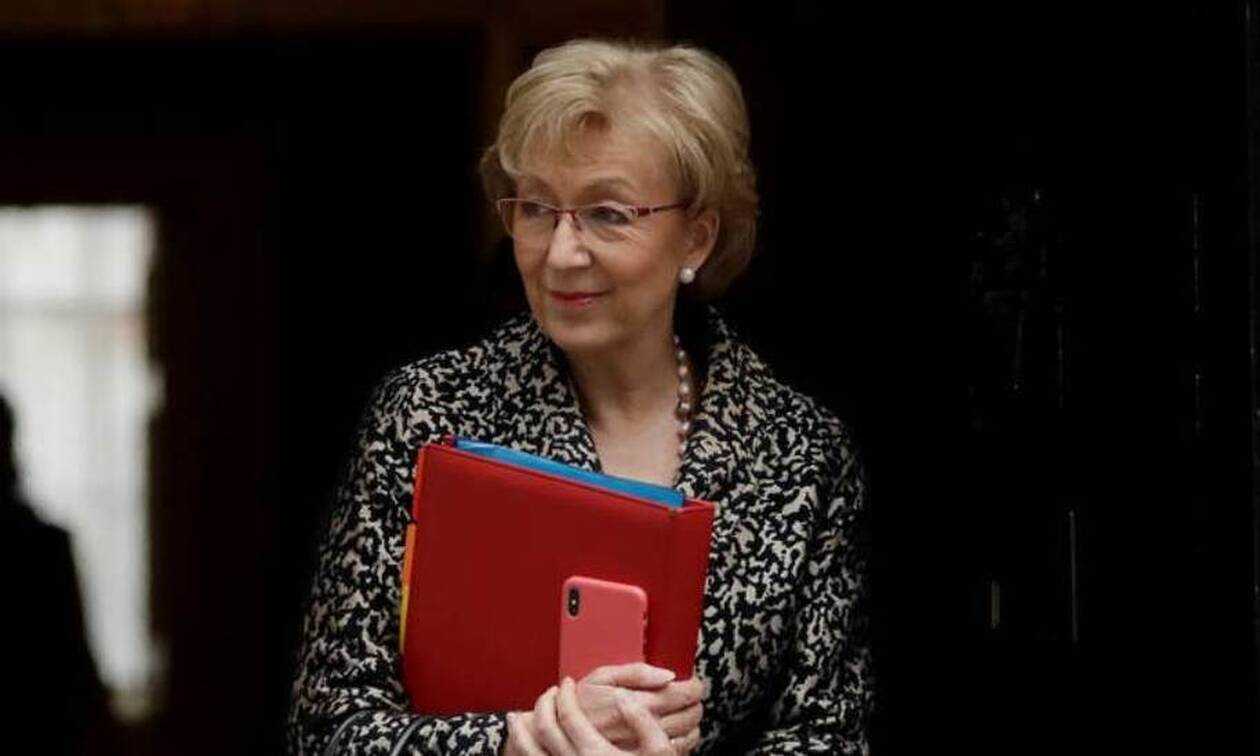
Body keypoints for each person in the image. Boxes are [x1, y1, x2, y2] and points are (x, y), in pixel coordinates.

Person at [288, 38, 875, 755]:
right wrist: (518, 742)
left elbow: (827, 735)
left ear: (696, 237)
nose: (561, 254)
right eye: (537, 209)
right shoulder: (427, 413)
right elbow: (328, 727)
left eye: (608, 214)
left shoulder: (800, 450)